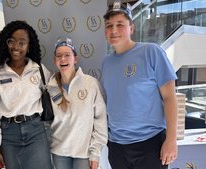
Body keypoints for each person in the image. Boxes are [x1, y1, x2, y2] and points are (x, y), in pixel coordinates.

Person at [101, 0, 178, 169]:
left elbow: (170, 97)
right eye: (109, 25)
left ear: (132, 28)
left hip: (150, 143)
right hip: (117, 146)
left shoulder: (151, 52)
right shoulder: (106, 63)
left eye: (120, 24)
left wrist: (171, 140)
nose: (113, 30)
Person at [0, 20, 53, 169]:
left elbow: (56, 93)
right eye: (12, 41)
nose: (16, 47)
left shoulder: (39, 70)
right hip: (8, 134)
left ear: (29, 47)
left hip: (36, 131)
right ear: (6, 43)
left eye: (22, 43)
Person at [47, 36, 107, 169]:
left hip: (84, 153)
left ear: (75, 59)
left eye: (67, 55)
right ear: (54, 60)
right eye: (59, 56)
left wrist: (95, 152)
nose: (63, 59)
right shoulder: (50, 87)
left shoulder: (90, 83)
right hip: (59, 152)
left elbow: (100, 120)